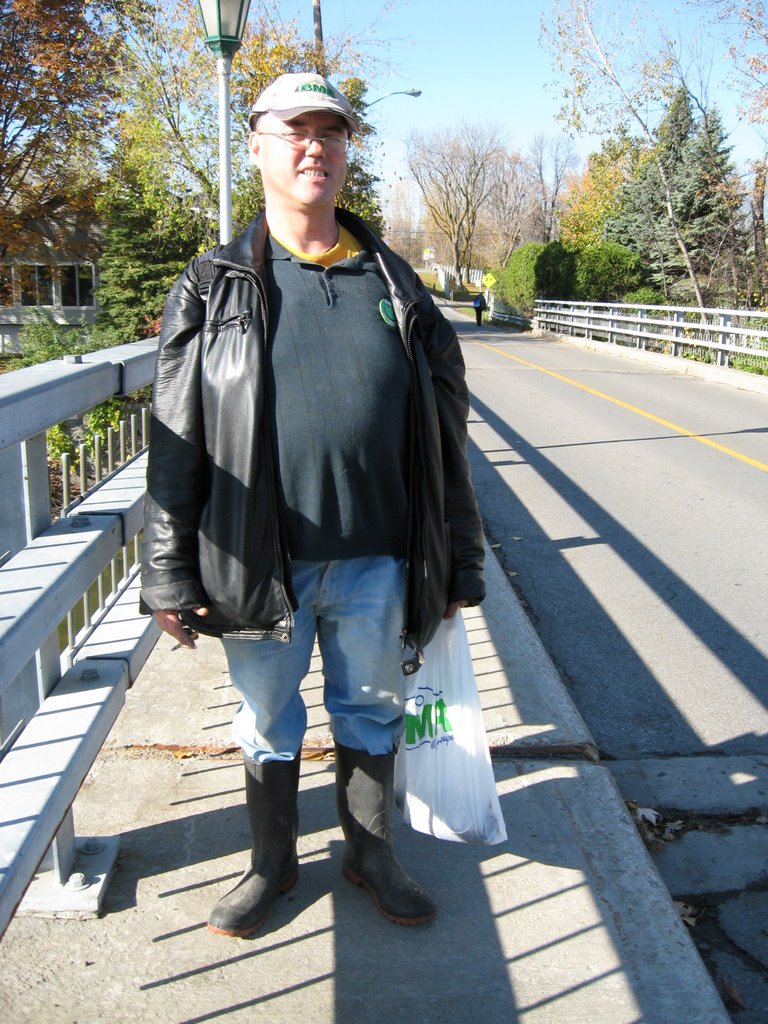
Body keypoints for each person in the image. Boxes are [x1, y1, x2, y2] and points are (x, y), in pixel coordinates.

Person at [140, 72, 485, 939]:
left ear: (345, 154)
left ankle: (371, 853)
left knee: (372, 711)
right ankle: (272, 864)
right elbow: (175, 437)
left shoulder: (398, 283)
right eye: (295, 130)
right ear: (255, 145)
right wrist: (168, 571)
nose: (314, 148)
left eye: (330, 133)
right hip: (261, 562)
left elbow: (447, 436)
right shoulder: (213, 285)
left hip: (379, 558)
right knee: (268, 717)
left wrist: (460, 559)